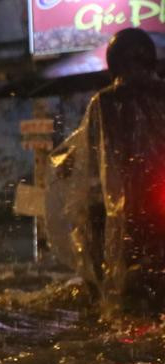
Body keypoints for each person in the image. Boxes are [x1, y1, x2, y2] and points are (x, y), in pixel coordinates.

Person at [55, 28, 165, 314]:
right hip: (147, 195)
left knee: (123, 278)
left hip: (127, 201)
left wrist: (64, 164)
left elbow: (84, 147)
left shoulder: (105, 101)